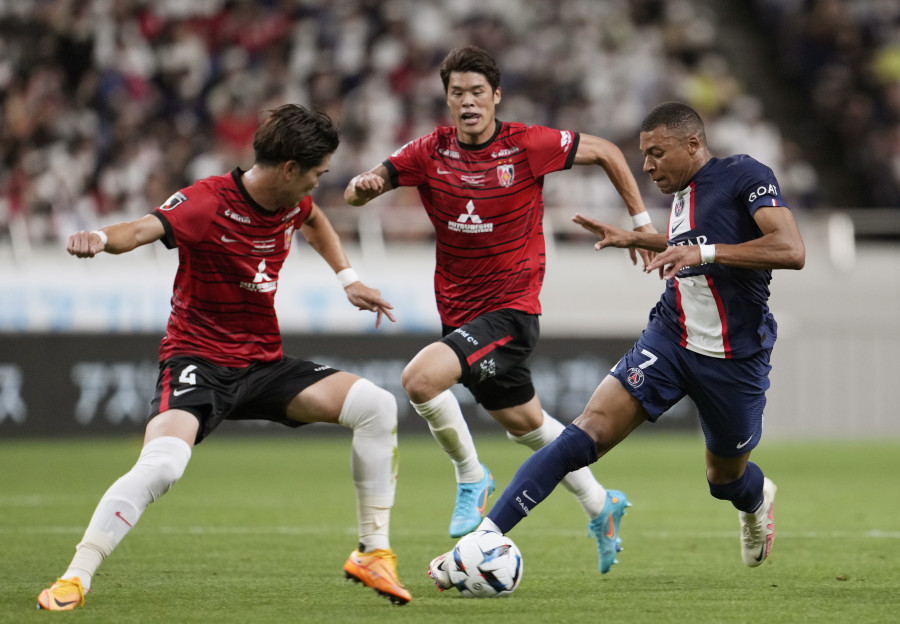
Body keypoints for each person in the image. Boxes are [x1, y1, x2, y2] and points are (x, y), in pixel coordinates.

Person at [37, 104, 412, 610]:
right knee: (164, 466)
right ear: (288, 169)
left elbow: (316, 221)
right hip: (199, 361)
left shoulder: (292, 201)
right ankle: (75, 577)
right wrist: (99, 238)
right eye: (317, 175)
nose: (317, 186)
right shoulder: (207, 202)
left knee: (377, 406)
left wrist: (348, 279)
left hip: (263, 363)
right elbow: (142, 229)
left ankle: (373, 552)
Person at [438, 101, 805, 579]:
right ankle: (486, 535)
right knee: (584, 433)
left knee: (725, 479)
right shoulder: (682, 191)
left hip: (735, 358)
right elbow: (690, 245)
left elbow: (791, 249)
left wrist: (703, 252)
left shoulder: (744, 174)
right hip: (670, 339)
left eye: (657, 153)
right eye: (644, 155)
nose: (647, 166)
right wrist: (638, 239)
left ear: (693, 144)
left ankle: (756, 501)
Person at [344, 45, 653, 573]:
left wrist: (642, 222)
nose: (467, 102)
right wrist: (362, 187)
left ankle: (470, 475)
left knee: (419, 380)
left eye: (477, 92)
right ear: (447, 99)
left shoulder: (527, 145)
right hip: (460, 315)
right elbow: (359, 191)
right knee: (528, 425)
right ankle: (602, 505)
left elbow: (606, 151)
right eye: (457, 93)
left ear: (496, 96)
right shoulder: (427, 151)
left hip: (512, 312)